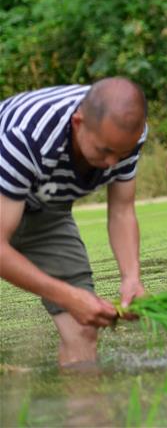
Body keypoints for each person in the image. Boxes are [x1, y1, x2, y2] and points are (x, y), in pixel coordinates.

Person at [0, 78, 147, 366]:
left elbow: (122, 210)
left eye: (122, 154)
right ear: (78, 123)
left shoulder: (127, 136)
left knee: (83, 328)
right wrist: (69, 296)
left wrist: (131, 277)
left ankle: (86, 410)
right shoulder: (27, 137)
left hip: (45, 208)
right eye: (104, 151)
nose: (112, 164)